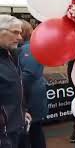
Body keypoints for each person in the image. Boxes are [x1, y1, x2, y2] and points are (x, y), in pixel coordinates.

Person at [19, 20, 47, 148]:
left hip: (31, 99)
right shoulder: (26, 48)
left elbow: (29, 75)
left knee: (34, 132)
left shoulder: (29, 48)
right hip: (31, 97)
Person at [0, 15, 26, 148]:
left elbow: (15, 88)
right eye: (15, 32)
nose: (20, 37)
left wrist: (22, 112)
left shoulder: (11, 54)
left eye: (20, 33)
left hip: (17, 127)